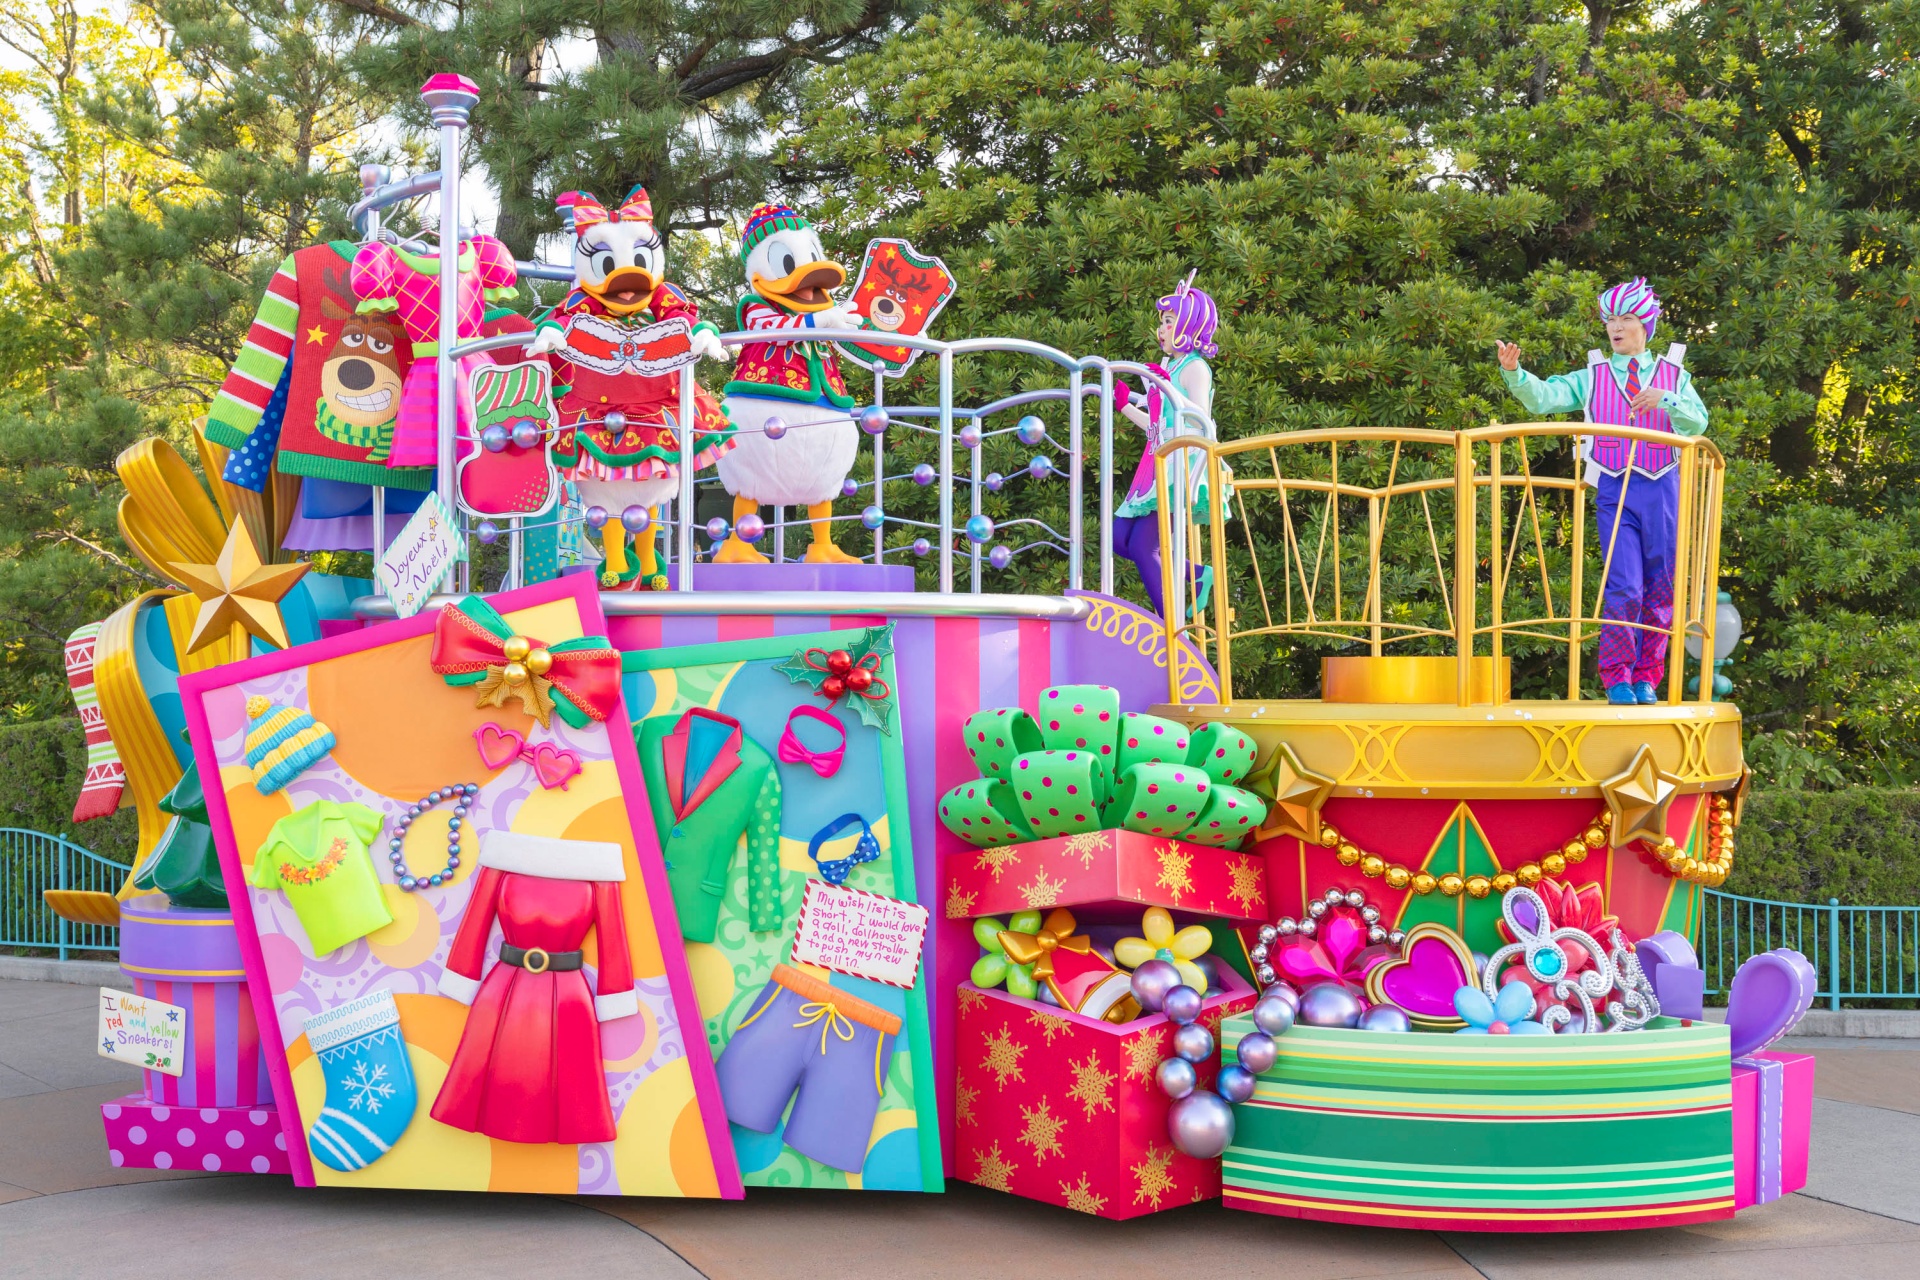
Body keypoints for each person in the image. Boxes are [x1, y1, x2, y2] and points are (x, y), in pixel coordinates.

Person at [1496, 278, 1709, 704]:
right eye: (1611, 319)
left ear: (1645, 324)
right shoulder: (1593, 375)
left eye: (1626, 318)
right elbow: (1545, 398)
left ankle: (1647, 677)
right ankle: (1617, 678)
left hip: (1662, 488)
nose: (1616, 327)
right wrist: (1514, 373)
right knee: (1624, 587)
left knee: (1661, 587)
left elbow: (1698, 424)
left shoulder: (1672, 375)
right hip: (1615, 487)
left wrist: (1667, 400)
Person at [1115, 273, 1222, 616]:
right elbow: (1157, 425)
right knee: (1119, 539)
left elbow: (1201, 420)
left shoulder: (1195, 368)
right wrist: (1124, 406)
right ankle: (1197, 575)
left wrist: (1168, 387)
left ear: (1189, 325)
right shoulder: (1169, 366)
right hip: (1156, 462)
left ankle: (1170, 624)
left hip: (1180, 464)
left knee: (1143, 546)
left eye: (1169, 321)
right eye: (1161, 322)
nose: (1161, 329)